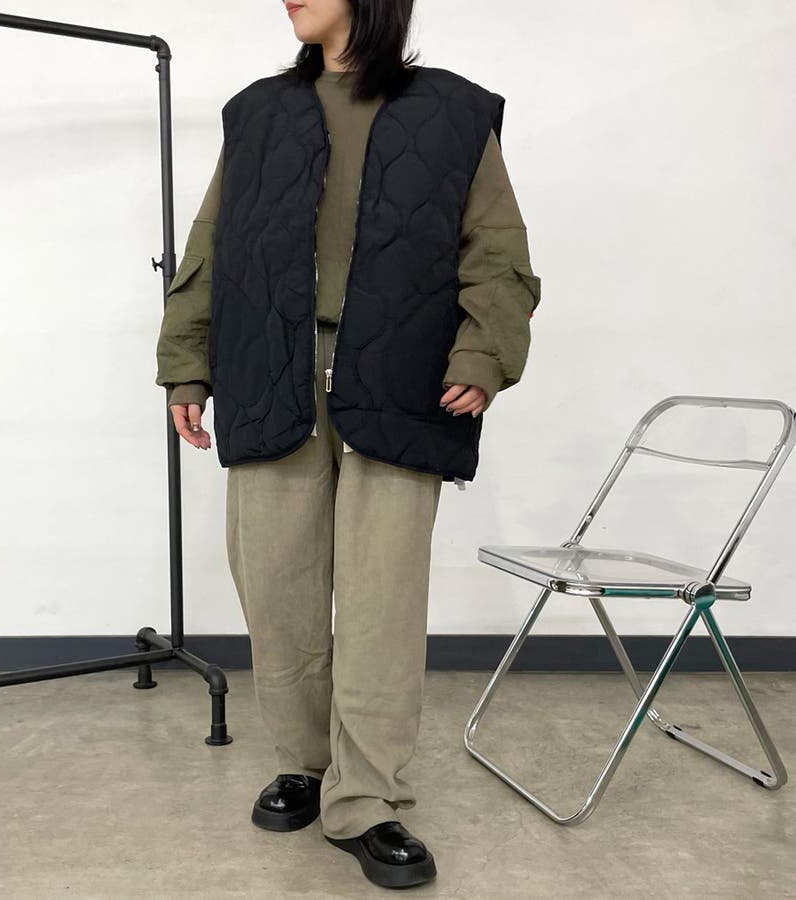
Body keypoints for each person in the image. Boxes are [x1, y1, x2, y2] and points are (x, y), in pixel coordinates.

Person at [154, 0, 541, 890]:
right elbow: (208, 249)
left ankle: (366, 798)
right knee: (277, 588)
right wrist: (186, 367)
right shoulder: (257, 113)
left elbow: (498, 250)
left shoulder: (453, 112)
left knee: (380, 600)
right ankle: (303, 762)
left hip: (401, 376)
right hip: (271, 369)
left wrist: (484, 352)